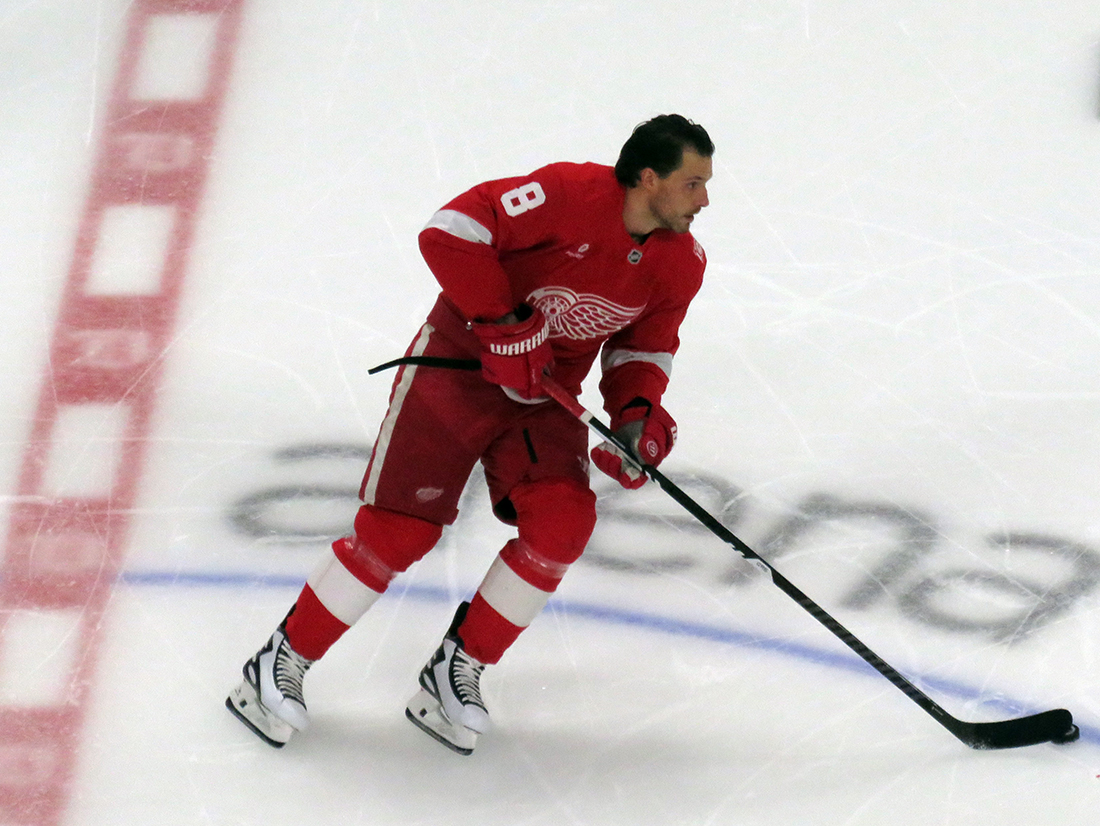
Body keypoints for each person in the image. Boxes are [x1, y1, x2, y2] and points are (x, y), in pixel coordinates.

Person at [226, 114, 714, 754]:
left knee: (563, 524)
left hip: (544, 396)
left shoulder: (680, 263)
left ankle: (456, 669)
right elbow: (450, 230)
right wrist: (503, 321)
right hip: (456, 371)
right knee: (400, 531)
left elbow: (644, 348)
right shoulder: (566, 196)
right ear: (648, 177)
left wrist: (637, 416)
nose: (704, 200)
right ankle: (279, 661)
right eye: (692, 183)